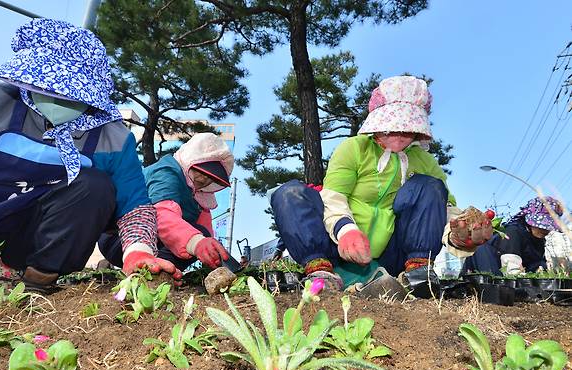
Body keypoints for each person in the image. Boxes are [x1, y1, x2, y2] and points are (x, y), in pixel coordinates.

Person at [0, 19, 180, 294]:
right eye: (49, 89)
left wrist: (137, 252)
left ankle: (36, 282)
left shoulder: (113, 138)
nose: (57, 98)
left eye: (71, 94)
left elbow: (135, 207)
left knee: (95, 187)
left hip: (33, 242)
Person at [270, 75, 492, 292]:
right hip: (337, 245)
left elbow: (443, 210)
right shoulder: (354, 149)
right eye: (391, 127)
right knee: (289, 194)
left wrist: (461, 232)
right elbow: (333, 197)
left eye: (407, 129)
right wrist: (346, 231)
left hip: (392, 252)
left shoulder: (425, 161)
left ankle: (418, 270)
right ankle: (320, 271)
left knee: (431, 186)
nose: (398, 136)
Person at [99, 133, 234, 272]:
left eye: (211, 177)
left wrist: (213, 254)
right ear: (190, 161)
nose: (204, 179)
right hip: (121, 238)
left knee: (202, 234)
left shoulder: (200, 194)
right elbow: (162, 215)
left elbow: (205, 232)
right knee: (197, 237)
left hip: (154, 243)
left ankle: (162, 271)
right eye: (201, 171)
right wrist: (196, 243)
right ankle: (151, 272)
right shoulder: (167, 173)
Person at [463, 197, 563, 275]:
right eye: (542, 226)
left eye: (549, 227)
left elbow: (538, 268)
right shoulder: (513, 232)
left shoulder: (539, 240)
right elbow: (512, 270)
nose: (546, 230)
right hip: (491, 273)